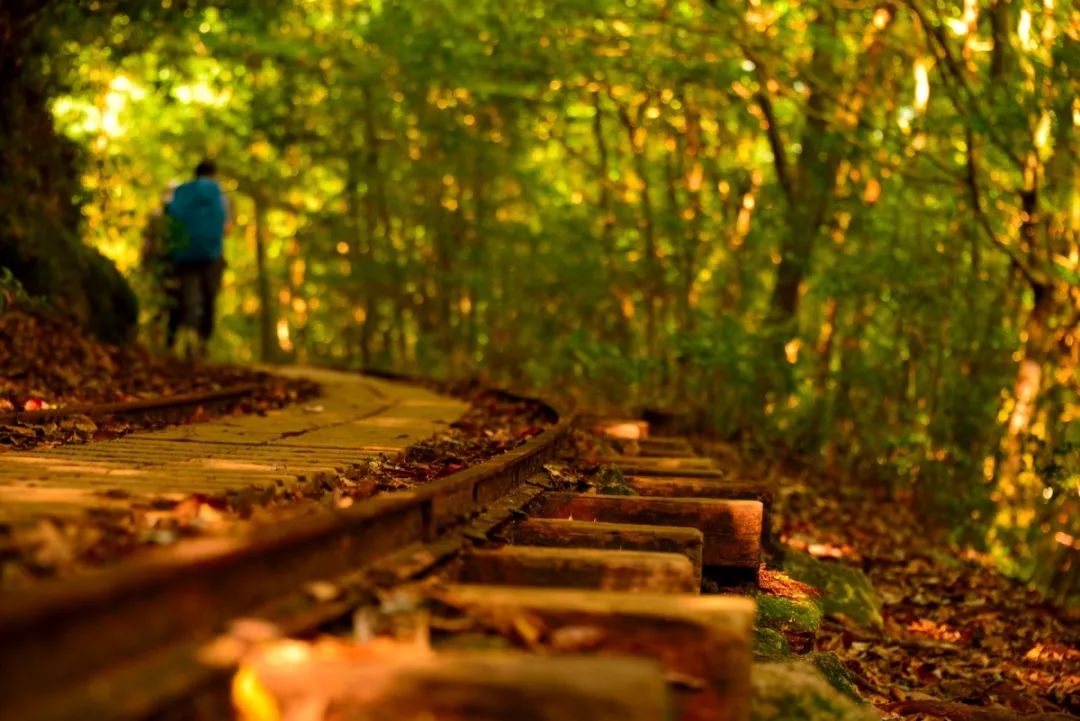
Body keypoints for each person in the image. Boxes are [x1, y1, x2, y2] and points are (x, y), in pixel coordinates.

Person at [164, 160, 231, 358]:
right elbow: (226, 228)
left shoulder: (182, 192)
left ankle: (180, 338)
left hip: (183, 253)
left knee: (184, 297)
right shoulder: (220, 195)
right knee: (209, 297)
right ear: (214, 173)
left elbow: (169, 219)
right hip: (211, 254)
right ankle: (202, 342)